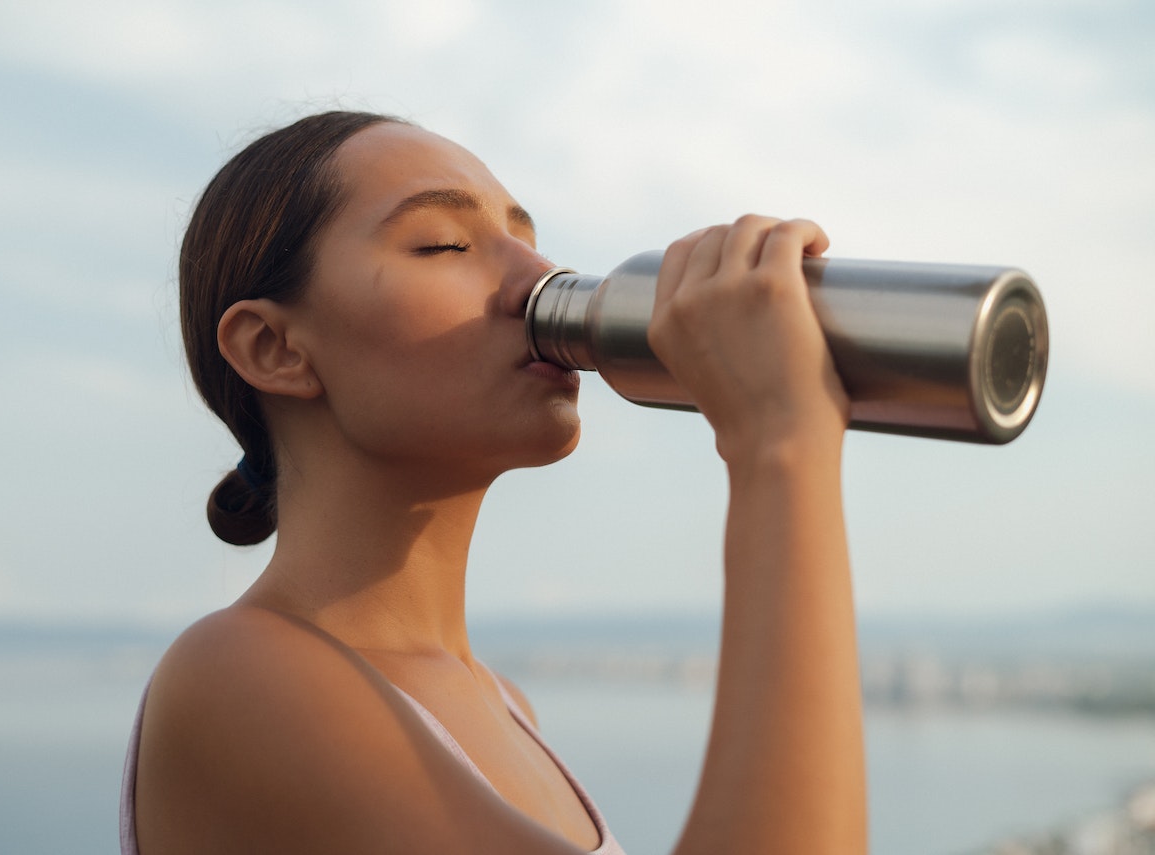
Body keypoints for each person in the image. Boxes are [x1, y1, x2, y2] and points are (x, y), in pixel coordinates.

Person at [120, 110, 866, 854]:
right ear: (274, 346)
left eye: (528, 242)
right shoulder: (238, 676)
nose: (541, 279)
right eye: (443, 243)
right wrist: (778, 443)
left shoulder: (508, 707)